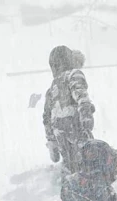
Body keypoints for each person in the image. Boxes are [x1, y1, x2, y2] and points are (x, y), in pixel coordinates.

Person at [43, 45, 95, 173]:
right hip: (75, 126)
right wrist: (86, 116)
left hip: (59, 132)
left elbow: (47, 117)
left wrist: (52, 142)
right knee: (88, 159)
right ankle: (90, 185)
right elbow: (81, 96)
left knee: (69, 163)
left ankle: (69, 186)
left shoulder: (52, 88)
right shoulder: (74, 74)